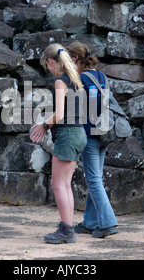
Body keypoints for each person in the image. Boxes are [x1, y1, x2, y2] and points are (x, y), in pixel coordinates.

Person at [30, 43, 87, 244]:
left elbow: (61, 114)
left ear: (51, 61)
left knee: (58, 183)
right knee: (64, 184)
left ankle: (66, 230)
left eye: (48, 66)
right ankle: (67, 226)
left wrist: (43, 125)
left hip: (68, 134)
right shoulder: (75, 79)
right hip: (78, 133)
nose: (49, 70)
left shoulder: (61, 82)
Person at [66, 41, 118, 238]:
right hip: (104, 133)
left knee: (93, 179)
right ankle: (90, 222)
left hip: (89, 133)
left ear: (74, 59)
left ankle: (108, 223)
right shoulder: (101, 75)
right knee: (94, 177)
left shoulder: (79, 79)